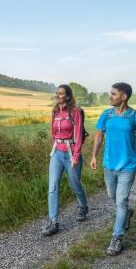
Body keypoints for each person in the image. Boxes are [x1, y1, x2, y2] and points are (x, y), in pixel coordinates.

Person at [90, 82, 136, 255]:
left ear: (124, 96)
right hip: (109, 165)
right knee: (112, 196)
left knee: (121, 201)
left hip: (128, 166)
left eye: (113, 94)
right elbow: (99, 135)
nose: (110, 96)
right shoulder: (106, 114)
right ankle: (127, 213)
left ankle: (117, 238)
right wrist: (94, 156)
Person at [41, 84, 89, 236]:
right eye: (57, 93)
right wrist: (55, 147)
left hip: (71, 153)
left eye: (61, 93)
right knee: (53, 186)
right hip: (56, 152)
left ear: (67, 96)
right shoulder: (55, 111)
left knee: (74, 184)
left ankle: (83, 206)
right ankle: (53, 222)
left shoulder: (75, 112)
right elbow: (53, 133)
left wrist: (75, 156)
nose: (58, 95)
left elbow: (78, 136)